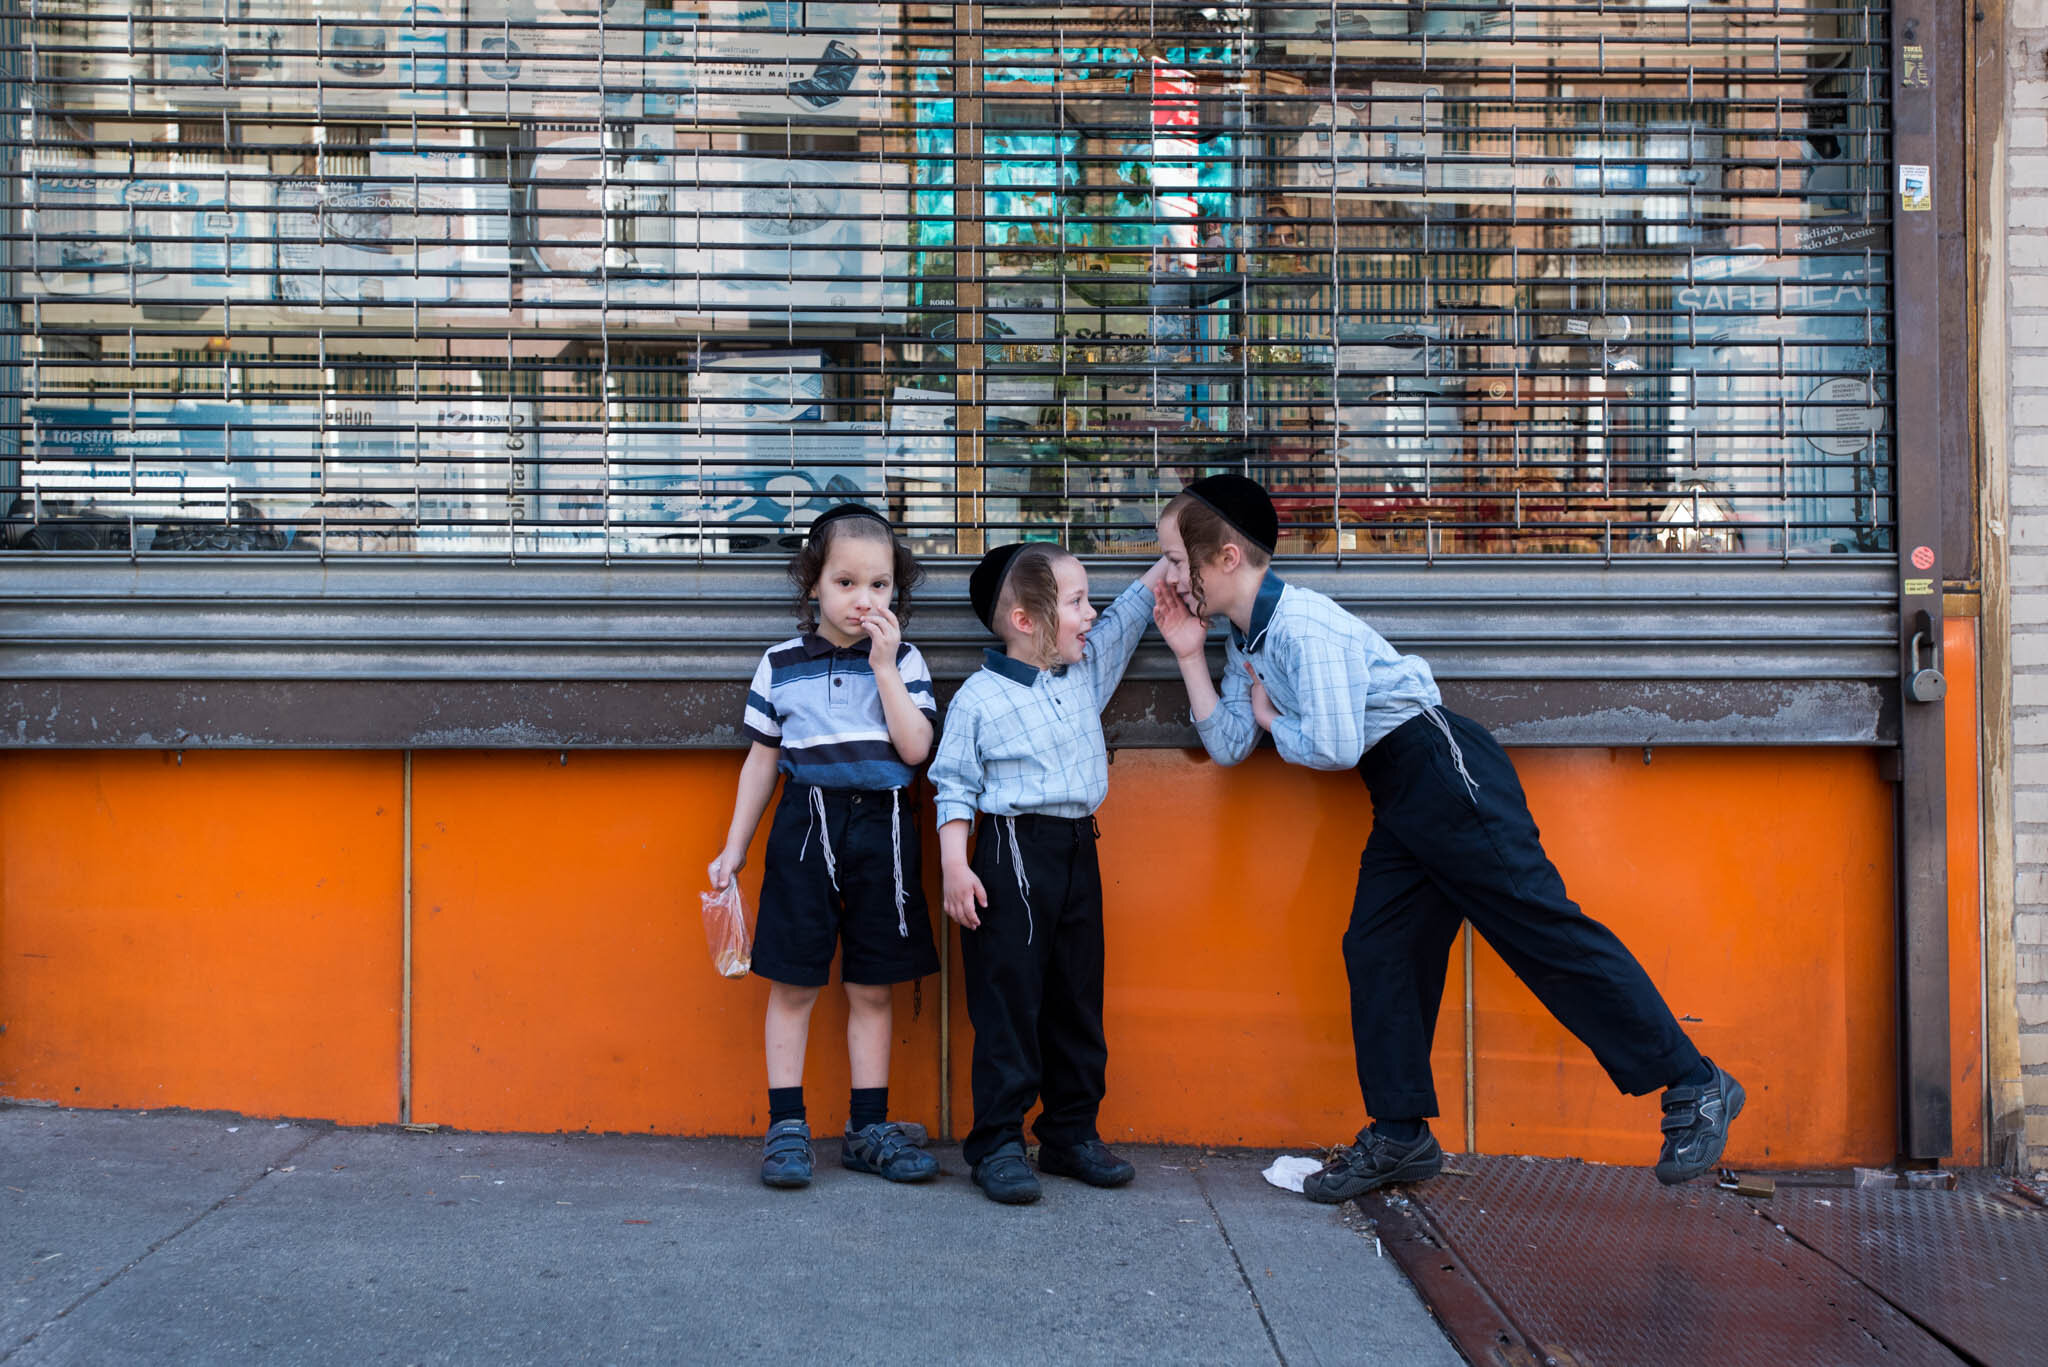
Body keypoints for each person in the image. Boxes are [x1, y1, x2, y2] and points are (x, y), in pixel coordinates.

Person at [1148, 474, 1743, 1201]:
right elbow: (1235, 741)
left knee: (1540, 930)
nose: (1168, 577)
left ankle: (1695, 1081)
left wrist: (1277, 721)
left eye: (1176, 560)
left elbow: (1329, 744)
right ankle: (1401, 1134)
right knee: (1380, 947)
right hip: (1400, 787)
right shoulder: (1250, 637)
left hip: (1442, 769)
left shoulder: (1305, 626)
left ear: (1227, 558)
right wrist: (1187, 653)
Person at [709, 503, 942, 1190]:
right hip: (805, 825)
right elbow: (761, 760)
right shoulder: (781, 663)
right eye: (845, 582)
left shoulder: (904, 659)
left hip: (885, 828)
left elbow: (916, 747)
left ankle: (869, 1128)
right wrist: (735, 849)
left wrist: (885, 667)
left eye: (879, 585)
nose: (863, 599)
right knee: (795, 980)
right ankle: (787, 1127)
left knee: (872, 985)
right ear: (813, 583)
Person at [929, 542, 1164, 1204]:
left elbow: (1124, 620)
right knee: (1011, 1000)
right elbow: (953, 786)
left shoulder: (1082, 672)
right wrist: (955, 865)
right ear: (1026, 619)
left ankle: (1069, 1131)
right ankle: (999, 1141)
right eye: (1077, 601)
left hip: (1077, 851)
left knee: (1077, 994)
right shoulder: (980, 697)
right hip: (1010, 853)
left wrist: (1170, 561)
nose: (1092, 613)